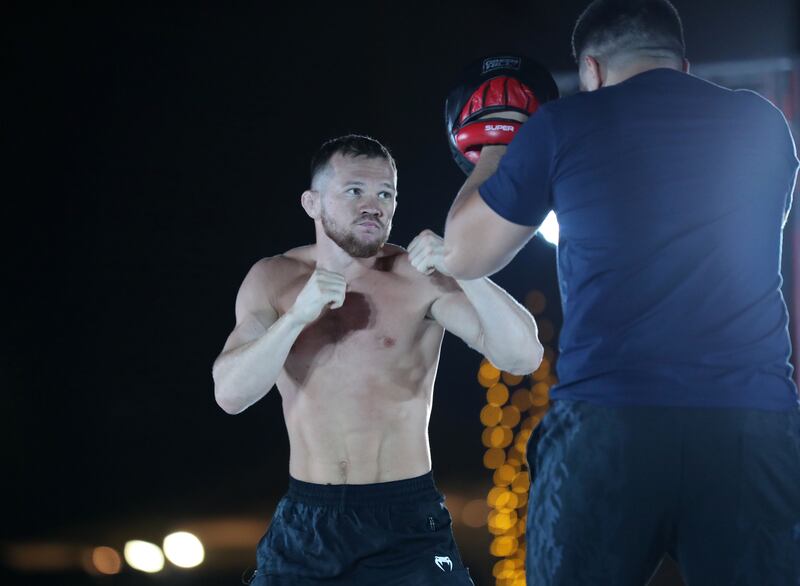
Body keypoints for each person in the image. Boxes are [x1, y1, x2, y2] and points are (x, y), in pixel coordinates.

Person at [441, 1, 800, 584]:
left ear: (591, 71)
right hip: (749, 425)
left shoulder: (564, 126)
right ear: (682, 64)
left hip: (610, 421)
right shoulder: (762, 123)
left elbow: (462, 255)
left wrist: (500, 148)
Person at [212, 134, 543, 585]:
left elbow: (522, 356)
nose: (374, 205)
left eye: (386, 193)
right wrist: (295, 319)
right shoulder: (274, 278)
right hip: (309, 524)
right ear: (312, 203)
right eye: (355, 191)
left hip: (406, 519)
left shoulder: (419, 278)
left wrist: (466, 271)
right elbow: (231, 394)